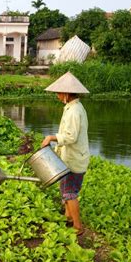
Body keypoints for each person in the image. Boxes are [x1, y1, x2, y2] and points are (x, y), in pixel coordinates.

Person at [41, 71, 90, 236]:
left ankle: (78, 227)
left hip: (74, 159)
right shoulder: (71, 107)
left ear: (67, 93)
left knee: (70, 192)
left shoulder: (75, 111)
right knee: (65, 190)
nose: (57, 95)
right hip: (70, 157)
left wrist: (51, 137)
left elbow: (71, 136)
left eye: (58, 92)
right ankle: (68, 218)